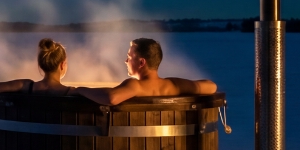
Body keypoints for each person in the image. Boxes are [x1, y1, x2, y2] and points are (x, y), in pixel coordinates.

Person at [75, 38, 216, 106]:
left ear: (142, 62)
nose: (125, 61)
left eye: (129, 57)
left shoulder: (135, 86)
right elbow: (211, 86)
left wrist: (79, 90)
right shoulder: (173, 85)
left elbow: (111, 98)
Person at [0, 38, 75, 96]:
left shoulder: (26, 86)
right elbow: (90, 93)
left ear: (40, 64)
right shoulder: (69, 91)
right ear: (62, 65)